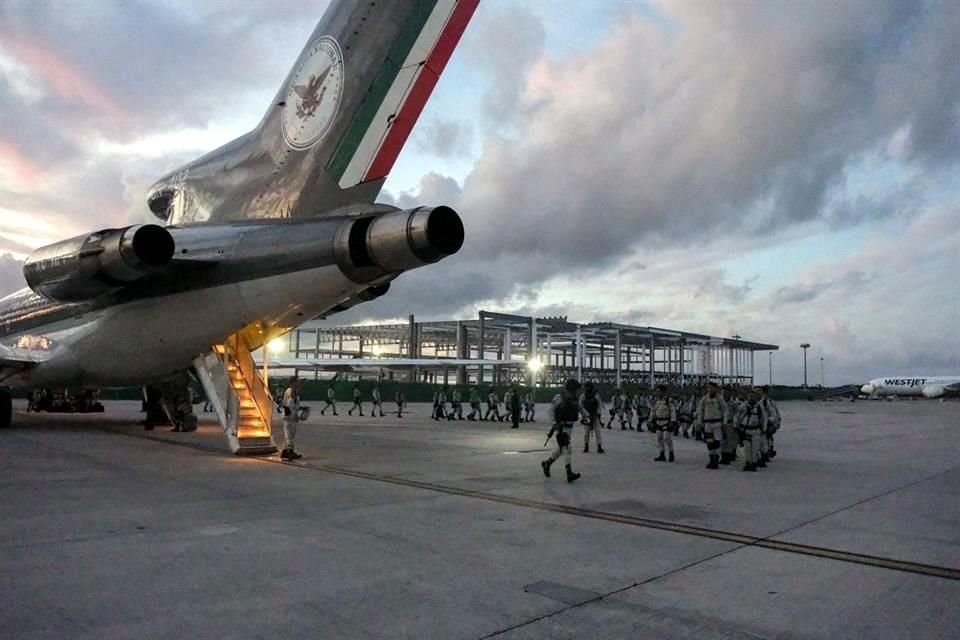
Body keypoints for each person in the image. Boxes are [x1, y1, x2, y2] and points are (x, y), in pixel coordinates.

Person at [541, 378, 583, 483]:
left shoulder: (574, 399)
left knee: (561, 449)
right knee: (567, 448)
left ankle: (547, 463)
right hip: (561, 427)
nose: (578, 391)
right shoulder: (559, 398)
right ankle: (569, 472)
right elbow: (550, 410)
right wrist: (554, 423)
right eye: (577, 389)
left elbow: (580, 408)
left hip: (569, 427)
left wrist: (587, 416)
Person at [696, 382, 727, 470]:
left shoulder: (719, 399)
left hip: (717, 423)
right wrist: (699, 422)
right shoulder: (705, 398)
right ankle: (711, 458)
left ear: (716, 389)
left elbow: (725, 410)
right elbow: (700, 410)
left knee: (717, 442)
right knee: (709, 442)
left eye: (712, 388)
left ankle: (716, 458)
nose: (710, 390)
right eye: (708, 388)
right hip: (707, 423)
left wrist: (724, 422)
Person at [736, 388, 768, 472]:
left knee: (755, 448)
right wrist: (736, 426)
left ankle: (754, 463)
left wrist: (764, 429)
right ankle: (747, 462)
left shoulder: (759, 407)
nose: (751, 398)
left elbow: (764, 418)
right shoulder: (743, 406)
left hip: (756, 431)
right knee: (747, 448)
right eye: (750, 396)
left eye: (753, 396)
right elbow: (737, 416)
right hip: (745, 430)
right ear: (747, 397)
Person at [651, 386, 678, 462]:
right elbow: (653, 411)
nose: (657, 393)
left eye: (659, 391)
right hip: (658, 421)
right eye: (656, 391)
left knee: (667, 438)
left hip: (667, 421)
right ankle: (662, 454)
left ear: (663, 392)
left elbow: (673, 411)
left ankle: (671, 452)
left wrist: (673, 420)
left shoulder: (668, 401)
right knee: (659, 438)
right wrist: (650, 420)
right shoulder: (656, 401)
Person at [280, 377, 303, 460]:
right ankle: (290, 451)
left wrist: (301, 409)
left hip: (289, 415)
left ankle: (284, 452)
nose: (299, 383)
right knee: (289, 435)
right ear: (293, 382)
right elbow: (290, 404)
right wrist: (295, 414)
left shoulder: (291, 391)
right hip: (289, 416)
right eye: (297, 381)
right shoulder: (291, 391)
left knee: (289, 434)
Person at [580, 381, 604, 454]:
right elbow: (580, 406)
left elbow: (599, 405)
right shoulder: (583, 396)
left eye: (588, 387)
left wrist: (597, 414)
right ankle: (586, 446)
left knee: (597, 432)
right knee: (586, 432)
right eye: (586, 387)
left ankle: (599, 446)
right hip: (587, 416)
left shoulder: (596, 395)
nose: (587, 388)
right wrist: (585, 415)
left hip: (594, 415)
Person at [759, 385, 781, 460]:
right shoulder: (753, 402)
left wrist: (776, 425)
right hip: (756, 425)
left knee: (767, 439)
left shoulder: (770, 403)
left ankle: (767, 452)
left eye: (760, 391)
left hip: (768, 424)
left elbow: (776, 415)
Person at [720, 385, 740, 465]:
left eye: (726, 392)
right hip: (721, 423)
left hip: (730, 423)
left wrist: (736, 424)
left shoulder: (734, 403)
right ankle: (722, 456)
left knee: (729, 441)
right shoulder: (719, 402)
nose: (724, 394)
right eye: (723, 392)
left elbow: (737, 414)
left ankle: (727, 457)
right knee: (721, 441)